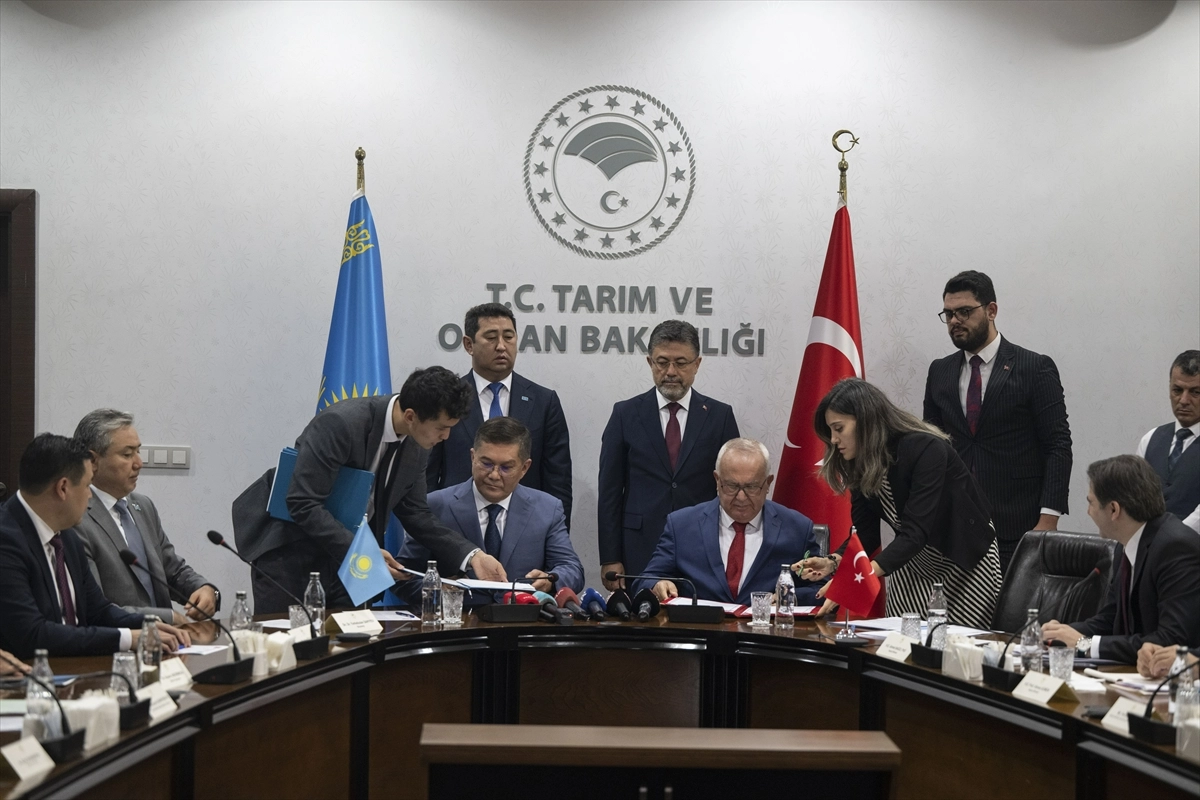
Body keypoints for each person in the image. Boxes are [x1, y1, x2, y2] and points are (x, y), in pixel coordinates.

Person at [232, 366, 507, 613]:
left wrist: (473, 556)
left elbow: (416, 514)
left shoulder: (418, 443)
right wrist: (362, 552)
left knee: (353, 644)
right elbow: (302, 502)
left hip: (348, 559)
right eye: (441, 428)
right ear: (411, 416)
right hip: (291, 549)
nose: (446, 437)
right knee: (290, 646)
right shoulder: (341, 423)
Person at [799, 378, 1002, 628]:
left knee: (958, 647)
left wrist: (858, 578)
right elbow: (866, 535)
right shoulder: (861, 462)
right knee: (900, 644)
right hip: (913, 561)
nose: (833, 439)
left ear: (865, 420)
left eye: (838, 428)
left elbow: (916, 532)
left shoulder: (926, 449)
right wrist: (833, 561)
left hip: (964, 562)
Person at [922, 270, 1073, 573]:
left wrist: (1048, 519)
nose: (954, 321)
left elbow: (1057, 445)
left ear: (991, 310)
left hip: (1019, 527)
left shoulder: (1034, 368)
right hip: (955, 529)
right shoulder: (940, 371)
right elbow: (932, 447)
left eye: (964, 312)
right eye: (948, 314)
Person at [0, 434, 190, 658]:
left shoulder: (65, 535)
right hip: (29, 672)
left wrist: (148, 623)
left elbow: (98, 611)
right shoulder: (6, 541)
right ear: (63, 488)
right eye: (87, 485)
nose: (90, 495)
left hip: (76, 665)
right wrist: (127, 638)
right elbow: (32, 634)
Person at [598, 320, 740, 589]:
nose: (671, 372)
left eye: (681, 363)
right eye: (662, 362)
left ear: (697, 364)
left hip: (703, 546)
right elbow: (609, 492)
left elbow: (732, 487)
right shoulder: (625, 414)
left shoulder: (720, 416)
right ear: (650, 362)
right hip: (639, 546)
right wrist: (610, 557)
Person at [398, 417, 583, 601]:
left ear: (524, 468)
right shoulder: (435, 505)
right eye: (486, 464)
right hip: (458, 617)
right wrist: (437, 591)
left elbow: (572, 568)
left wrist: (550, 580)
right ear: (473, 457)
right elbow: (403, 577)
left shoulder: (547, 509)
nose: (494, 475)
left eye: (506, 467)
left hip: (521, 616)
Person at [1042, 455, 1200, 665]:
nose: (1088, 512)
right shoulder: (1126, 544)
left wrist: (1083, 644)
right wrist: (1061, 634)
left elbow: (1170, 641)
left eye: (1091, 503)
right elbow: (1110, 620)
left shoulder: (1175, 548)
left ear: (1114, 510)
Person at [426, 303, 574, 526]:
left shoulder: (544, 402)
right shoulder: (446, 399)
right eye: (491, 337)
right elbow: (426, 477)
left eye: (509, 337)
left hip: (525, 529)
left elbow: (558, 482)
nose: (502, 346)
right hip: (455, 528)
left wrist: (554, 535)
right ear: (469, 344)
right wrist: (430, 532)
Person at [72, 409, 219, 625]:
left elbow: (172, 570)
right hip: (121, 640)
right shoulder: (76, 518)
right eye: (127, 454)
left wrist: (203, 588)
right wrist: (167, 617)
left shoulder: (143, 506)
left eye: (138, 452)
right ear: (93, 460)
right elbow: (96, 607)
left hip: (169, 639)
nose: (139, 463)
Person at [637, 439, 823, 606]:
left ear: (767, 483)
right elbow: (645, 579)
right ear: (717, 481)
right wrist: (657, 584)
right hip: (701, 630)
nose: (741, 497)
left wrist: (788, 597)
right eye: (732, 486)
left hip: (766, 631)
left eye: (751, 487)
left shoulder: (797, 529)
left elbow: (823, 590)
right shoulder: (681, 525)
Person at [1135, 350, 1199, 533]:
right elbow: (1134, 496)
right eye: (1177, 390)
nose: (1184, 400)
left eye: (1195, 392)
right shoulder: (1150, 439)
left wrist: (1169, 539)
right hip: (1148, 545)